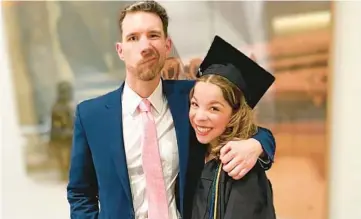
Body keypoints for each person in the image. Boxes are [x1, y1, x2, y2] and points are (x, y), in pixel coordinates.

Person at [67, 1, 276, 219]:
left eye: (153, 35)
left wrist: (257, 144)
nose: (145, 46)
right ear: (120, 50)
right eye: (133, 37)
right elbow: (80, 193)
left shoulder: (191, 101)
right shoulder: (92, 116)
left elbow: (248, 127)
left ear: (167, 45)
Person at [190, 35, 276, 219]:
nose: (199, 117)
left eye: (214, 108)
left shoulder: (240, 167)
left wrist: (257, 144)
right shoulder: (194, 149)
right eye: (195, 104)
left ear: (235, 114)